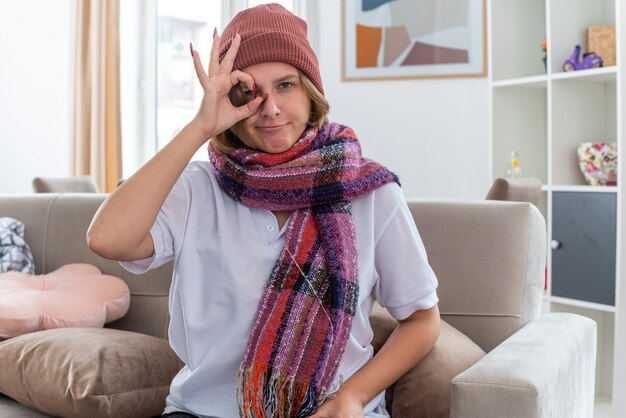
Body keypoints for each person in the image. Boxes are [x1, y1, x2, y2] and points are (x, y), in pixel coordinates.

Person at [87, 4, 440, 418]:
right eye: (248, 91)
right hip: (204, 412)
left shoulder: (371, 193)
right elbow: (106, 238)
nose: (269, 108)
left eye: (286, 85)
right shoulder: (197, 188)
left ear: (311, 91)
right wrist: (200, 125)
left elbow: (421, 320)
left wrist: (352, 397)